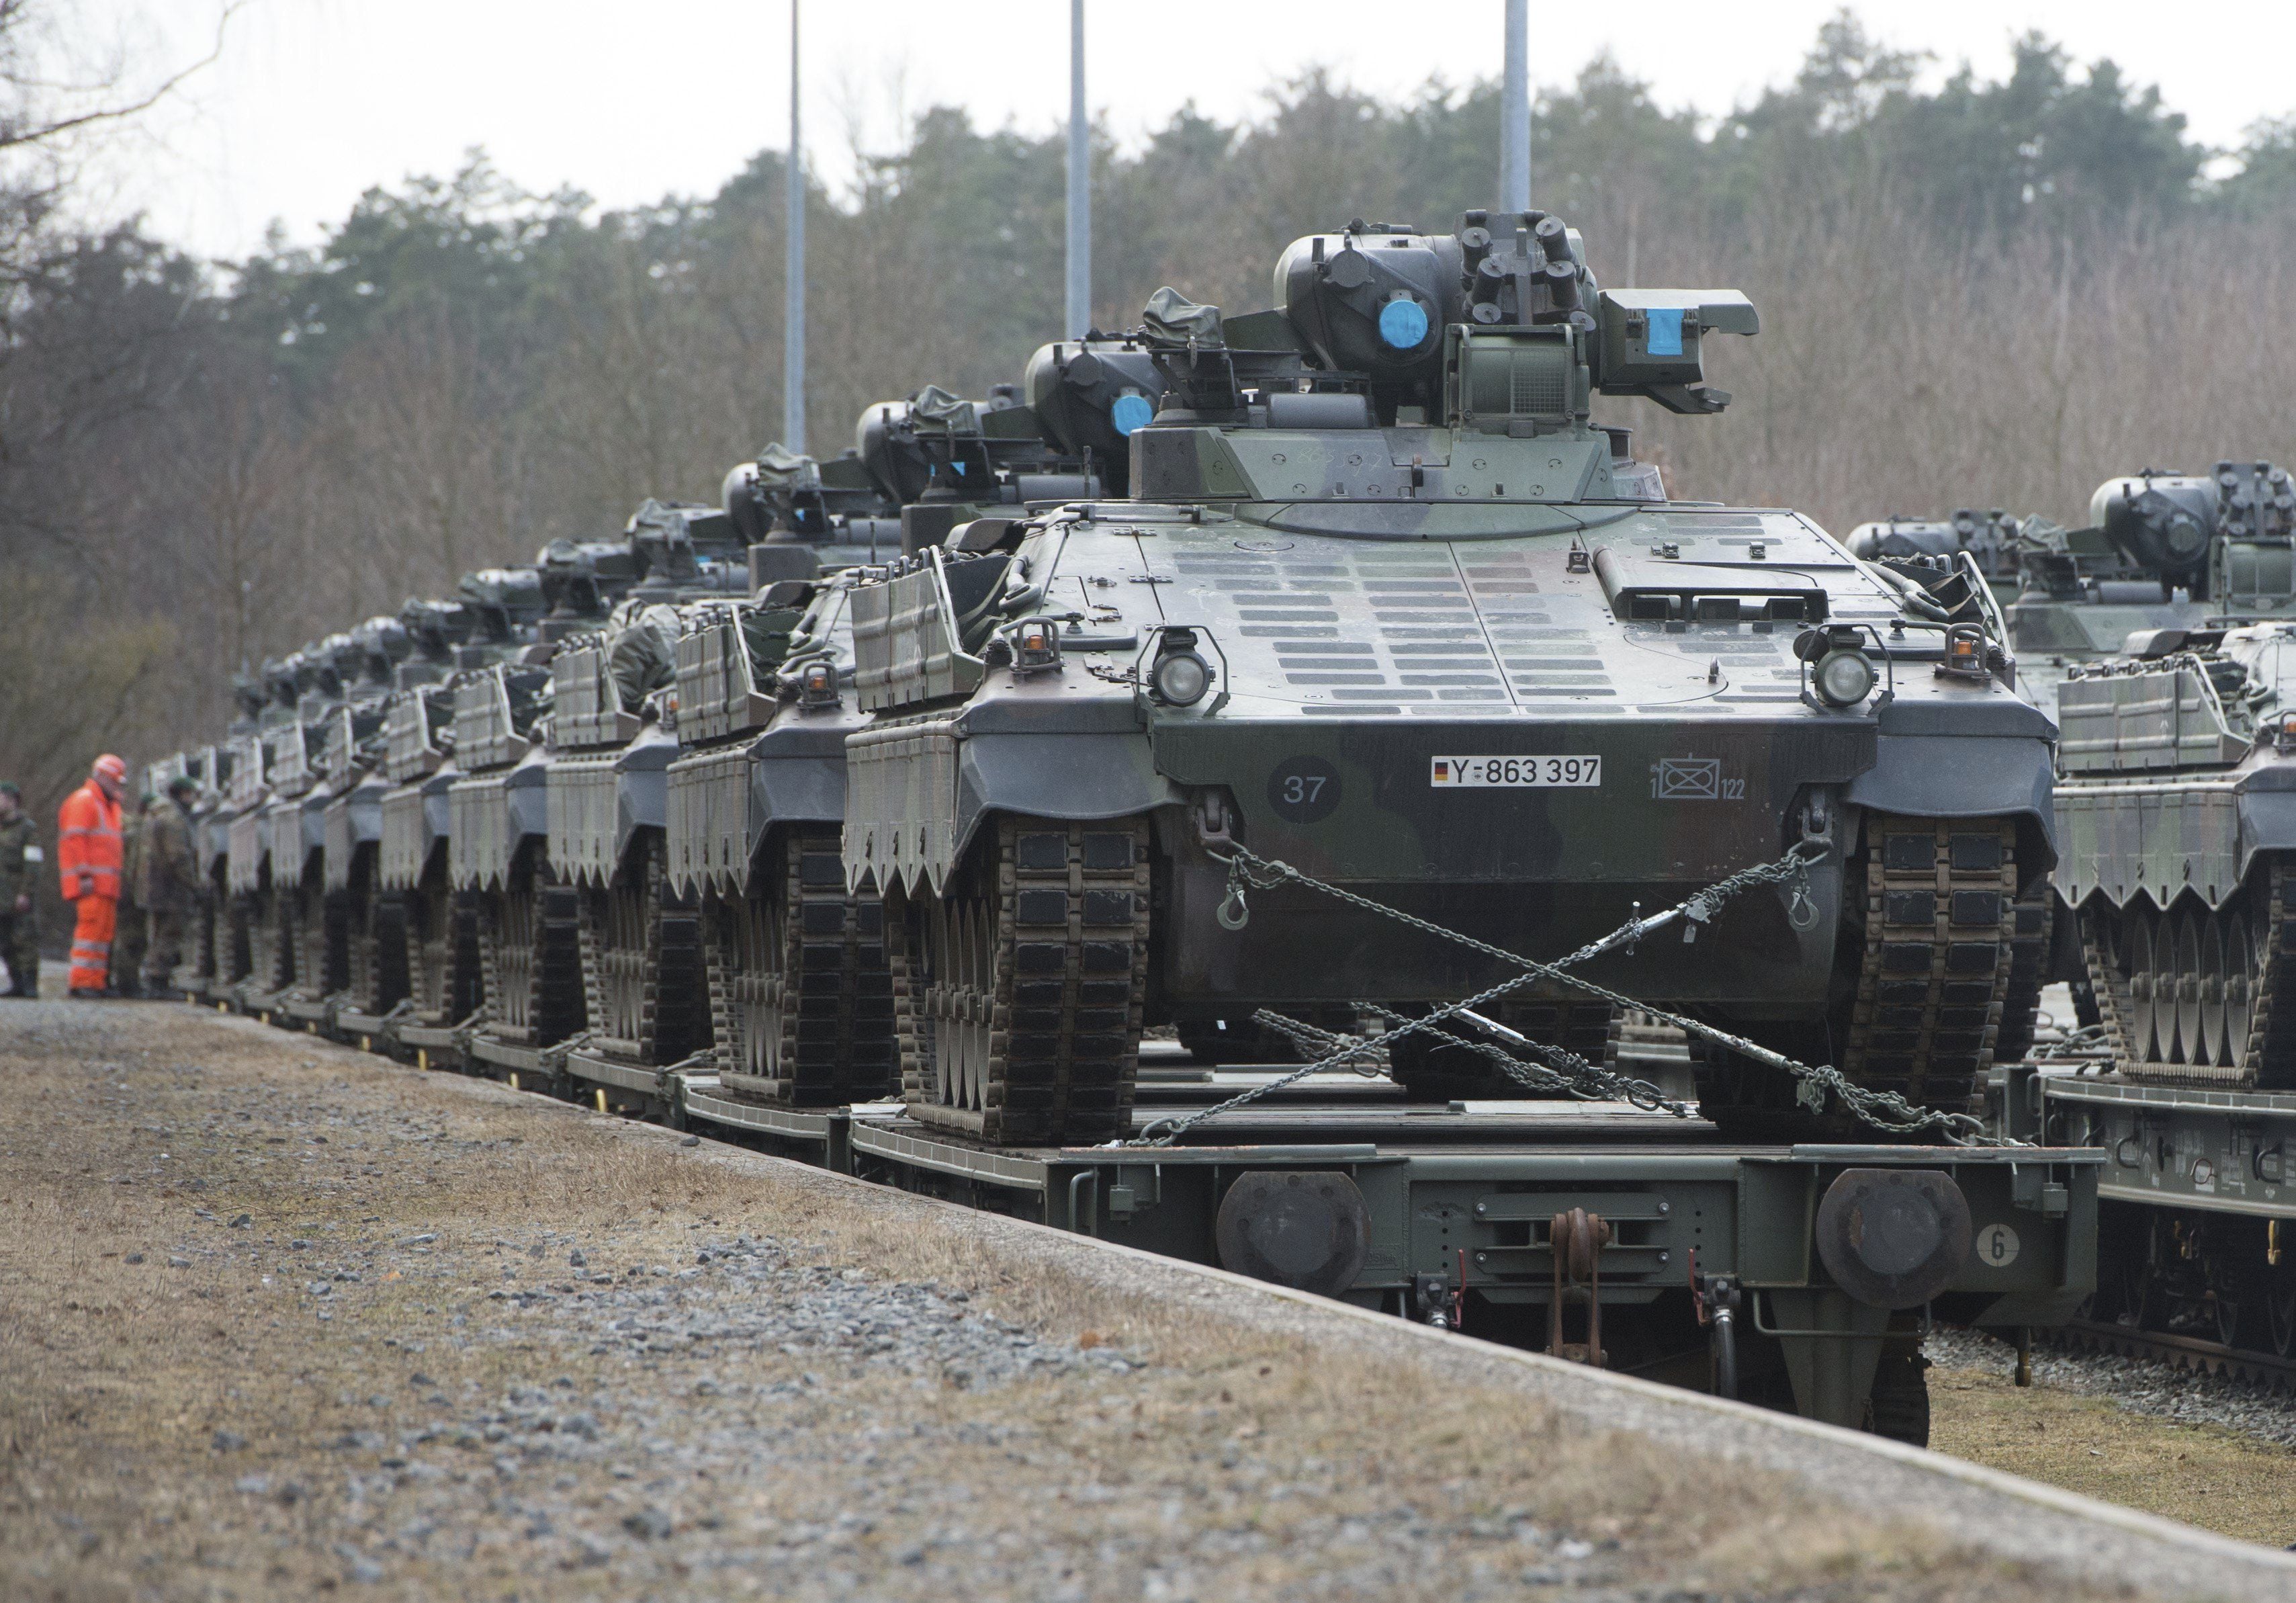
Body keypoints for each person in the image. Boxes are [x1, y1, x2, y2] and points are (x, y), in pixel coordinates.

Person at [57, 754, 126, 998]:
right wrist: (84, 874)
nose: (117, 786)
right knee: (90, 932)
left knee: (103, 933)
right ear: (100, 776)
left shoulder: (109, 806)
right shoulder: (84, 801)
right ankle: (82, 981)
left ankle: (96, 982)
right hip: (92, 883)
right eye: (114, 781)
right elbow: (75, 842)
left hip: (107, 885)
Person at [142, 776, 200, 998]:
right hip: (170, 886)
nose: (193, 799)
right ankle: (158, 981)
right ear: (182, 794)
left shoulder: (157, 814)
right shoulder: (174, 818)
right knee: (169, 933)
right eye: (191, 793)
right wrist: (194, 885)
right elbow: (178, 856)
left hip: (156, 884)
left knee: (158, 932)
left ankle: (154, 979)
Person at [110, 790, 153, 997]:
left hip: (120, 888)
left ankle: (122, 981)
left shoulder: (124, 828)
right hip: (129, 890)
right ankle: (128, 984)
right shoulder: (139, 833)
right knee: (132, 938)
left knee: (126, 937)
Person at [0, 783, 41, 997]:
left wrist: (26, 892)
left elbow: (33, 864)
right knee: (5, 943)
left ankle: (30, 985)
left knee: (26, 940)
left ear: (11, 800)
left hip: (18, 894)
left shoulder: (27, 829)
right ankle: (16, 983)